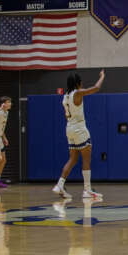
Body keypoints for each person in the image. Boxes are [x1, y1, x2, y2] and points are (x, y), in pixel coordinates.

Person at [52, 70, 105, 200]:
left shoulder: (65, 97)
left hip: (69, 128)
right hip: (79, 128)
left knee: (73, 159)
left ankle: (59, 185)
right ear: (78, 83)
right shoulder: (78, 93)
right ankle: (87, 190)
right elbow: (96, 88)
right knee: (86, 159)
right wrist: (102, 76)